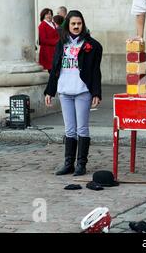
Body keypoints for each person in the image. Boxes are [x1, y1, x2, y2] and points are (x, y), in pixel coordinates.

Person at [44, 10, 103, 176]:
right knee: (69, 130)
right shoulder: (61, 44)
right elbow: (55, 68)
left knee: (82, 129)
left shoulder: (92, 45)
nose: (76, 27)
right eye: (73, 24)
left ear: (83, 24)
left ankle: (81, 164)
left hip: (82, 91)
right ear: (67, 25)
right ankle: (68, 163)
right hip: (65, 91)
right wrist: (50, 91)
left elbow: (95, 71)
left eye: (79, 24)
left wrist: (96, 93)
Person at [38, 8, 60, 72]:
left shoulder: (53, 23)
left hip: (55, 49)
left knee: (56, 68)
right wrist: (56, 42)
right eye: (47, 14)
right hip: (47, 50)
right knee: (51, 69)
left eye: (50, 14)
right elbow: (43, 40)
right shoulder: (42, 25)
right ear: (43, 15)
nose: (49, 15)